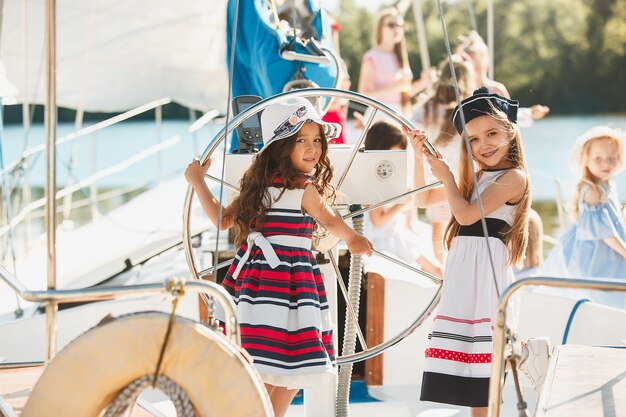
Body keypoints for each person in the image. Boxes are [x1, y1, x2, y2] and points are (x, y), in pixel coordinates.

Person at [185, 96, 373, 417]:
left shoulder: (256, 188)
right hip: (292, 286)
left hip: (256, 287)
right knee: (294, 366)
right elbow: (328, 220)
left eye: (317, 140)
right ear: (281, 146)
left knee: (263, 363)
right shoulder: (304, 188)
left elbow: (222, 220)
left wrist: (198, 182)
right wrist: (354, 239)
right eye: (301, 140)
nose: (313, 147)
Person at [410, 87, 531, 416]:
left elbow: (464, 215)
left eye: (492, 133)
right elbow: (421, 200)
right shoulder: (476, 179)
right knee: (469, 386)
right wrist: (421, 155)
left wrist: (448, 178)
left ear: (510, 133)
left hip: (487, 289)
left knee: (484, 385)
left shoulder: (513, 178)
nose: (484, 145)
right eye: (474, 139)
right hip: (465, 287)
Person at [542, 126, 626, 309]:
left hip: (610, 250)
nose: (606, 164)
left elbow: (613, 222)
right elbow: (604, 232)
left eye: (611, 158)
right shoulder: (592, 191)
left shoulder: (607, 185)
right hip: (594, 252)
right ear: (586, 161)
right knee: (600, 293)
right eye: (598, 158)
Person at [411, 54, 476, 264]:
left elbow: (411, 127)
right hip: (461, 174)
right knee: (460, 221)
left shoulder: (428, 106)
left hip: (434, 174)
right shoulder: (468, 107)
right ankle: (457, 262)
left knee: (438, 225)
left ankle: (441, 265)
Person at [363, 121, 442, 277]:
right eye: (394, 153)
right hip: (385, 236)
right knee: (437, 272)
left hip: (398, 231)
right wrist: (405, 201)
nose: (398, 158)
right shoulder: (373, 179)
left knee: (437, 270)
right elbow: (377, 221)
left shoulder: (389, 174)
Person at [457, 31, 550, 125]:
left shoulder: (496, 90)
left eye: (476, 65)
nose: (473, 69)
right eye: (469, 66)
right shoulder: (460, 92)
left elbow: (509, 118)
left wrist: (530, 113)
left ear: (485, 64)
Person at [357, 7, 429, 117]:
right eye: (391, 25)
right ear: (380, 28)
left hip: (401, 116)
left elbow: (404, 92)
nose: (397, 29)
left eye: (400, 25)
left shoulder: (401, 57)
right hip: (379, 114)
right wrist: (395, 87)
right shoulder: (371, 57)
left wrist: (423, 83)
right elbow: (363, 95)